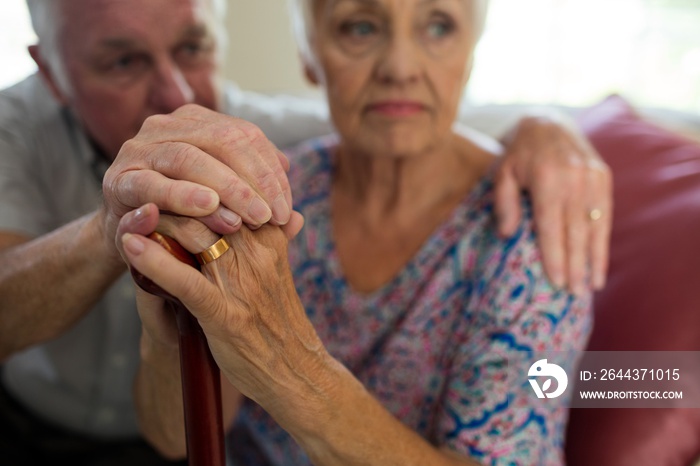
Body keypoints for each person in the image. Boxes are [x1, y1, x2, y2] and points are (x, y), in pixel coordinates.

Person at [0, 0, 608, 463]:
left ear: (474, 45)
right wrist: (171, 341)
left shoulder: (532, 229)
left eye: (439, 25)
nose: (400, 68)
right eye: (359, 27)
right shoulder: (279, 180)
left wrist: (287, 365)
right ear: (308, 53)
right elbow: (175, 435)